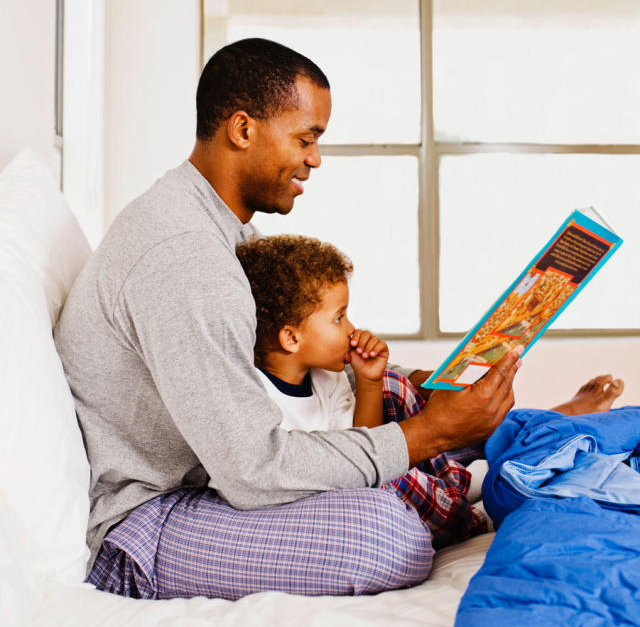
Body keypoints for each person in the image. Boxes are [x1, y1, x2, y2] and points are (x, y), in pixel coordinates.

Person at [54, 38, 623, 601]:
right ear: (243, 128)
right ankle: (493, 453)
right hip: (151, 520)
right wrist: (428, 433)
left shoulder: (220, 230)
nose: (315, 159)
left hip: (213, 472)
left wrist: (436, 385)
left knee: (408, 394)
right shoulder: (185, 257)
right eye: (306, 138)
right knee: (386, 533)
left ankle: (539, 433)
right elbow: (252, 468)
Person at [236, 233, 489, 549]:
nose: (351, 330)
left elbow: (367, 445)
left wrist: (369, 382)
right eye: (338, 318)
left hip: (356, 475)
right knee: (394, 480)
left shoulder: (327, 378)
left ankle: (456, 483)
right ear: (291, 338)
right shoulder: (257, 399)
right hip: (318, 507)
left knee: (392, 388)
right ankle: (465, 517)